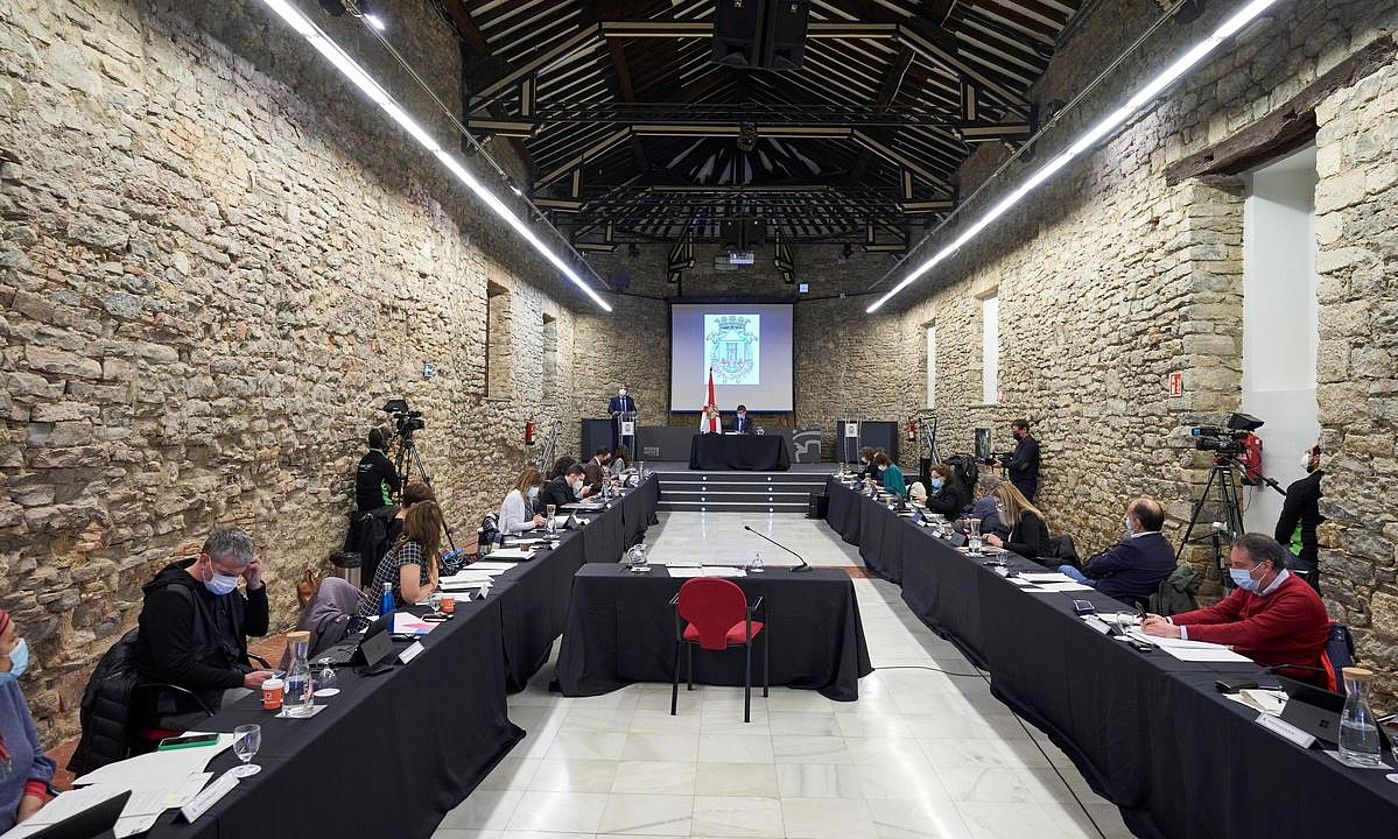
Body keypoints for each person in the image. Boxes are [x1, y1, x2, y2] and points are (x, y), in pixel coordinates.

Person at [1142, 534, 1331, 687]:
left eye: (1240, 565)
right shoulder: (1255, 584)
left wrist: (1177, 632)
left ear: (1266, 566)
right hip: (1252, 662)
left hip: (1282, 676)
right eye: (1232, 564)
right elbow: (1220, 612)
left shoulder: (1298, 599)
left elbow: (1249, 631)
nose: (1233, 570)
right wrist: (1169, 621)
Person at [136, 527, 274, 728]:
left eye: (237, 575)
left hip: (228, 676)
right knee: (265, 709)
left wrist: (255, 586)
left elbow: (256, 628)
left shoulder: (222, 588)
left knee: (290, 687)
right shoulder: (170, 598)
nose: (230, 580)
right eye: (226, 573)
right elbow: (175, 668)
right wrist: (240, 680)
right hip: (186, 695)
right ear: (203, 560)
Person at [1058, 497, 1176, 603]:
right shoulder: (1167, 546)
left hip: (1111, 596)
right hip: (1140, 598)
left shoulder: (1133, 547)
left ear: (1137, 524)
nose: (1126, 520)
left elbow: (1096, 566)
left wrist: (1102, 557)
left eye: (1128, 517)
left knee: (1065, 569)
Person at [0, 610, 54, 833]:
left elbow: (37, 760)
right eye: (12, 640)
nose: (19, 645)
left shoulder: (5, 686)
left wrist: (28, 814)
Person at [356, 501, 443, 624]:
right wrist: (431, 586)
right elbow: (412, 597)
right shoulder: (411, 548)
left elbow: (434, 579)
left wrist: (433, 550)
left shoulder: (423, 547)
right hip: (377, 620)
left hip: (396, 616)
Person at [1275, 442, 1325, 592]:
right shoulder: (1337, 486)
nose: (1306, 456)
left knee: (1261, 560)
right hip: (1326, 557)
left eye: (1308, 453)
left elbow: (1283, 530)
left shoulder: (1300, 488)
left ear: (1317, 458)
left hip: (1304, 556)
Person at [985, 482, 1051, 561]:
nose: (998, 507)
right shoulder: (1014, 517)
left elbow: (1031, 549)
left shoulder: (1029, 517)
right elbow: (1009, 538)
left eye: (999, 502)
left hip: (1036, 562)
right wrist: (994, 538)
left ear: (1009, 501)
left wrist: (1002, 544)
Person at [993, 419, 1041, 502]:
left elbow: (1021, 464)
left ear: (1024, 429)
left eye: (1015, 431)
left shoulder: (1030, 444)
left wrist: (1003, 464)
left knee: (1023, 506)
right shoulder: (1022, 444)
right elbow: (1017, 460)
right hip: (1018, 483)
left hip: (1025, 484)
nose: (1014, 434)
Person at [355, 427, 401, 512]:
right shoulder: (385, 463)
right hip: (380, 507)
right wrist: (388, 486)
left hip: (362, 508)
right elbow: (396, 486)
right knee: (401, 512)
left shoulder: (363, 460)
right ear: (383, 443)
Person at [500, 466, 547, 535]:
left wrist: (539, 520)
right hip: (512, 537)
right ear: (527, 484)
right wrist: (534, 523)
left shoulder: (527, 499)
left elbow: (527, 520)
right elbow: (512, 526)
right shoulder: (514, 497)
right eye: (534, 486)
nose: (536, 489)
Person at [968, 473, 1009, 538]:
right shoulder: (1006, 499)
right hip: (1004, 535)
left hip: (987, 535)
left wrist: (965, 522)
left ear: (985, 487)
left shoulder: (984, 501)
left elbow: (975, 523)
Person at [607, 385, 637, 452]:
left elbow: (634, 410)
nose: (623, 390)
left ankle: (625, 455)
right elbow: (610, 409)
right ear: (619, 390)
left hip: (626, 423)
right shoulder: (614, 399)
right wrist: (614, 412)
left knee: (626, 441)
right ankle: (615, 456)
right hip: (616, 423)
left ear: (627, 391)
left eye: (624, 389)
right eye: (621, 388)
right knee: (616, 440)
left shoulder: (630, 400)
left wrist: (633, 412)